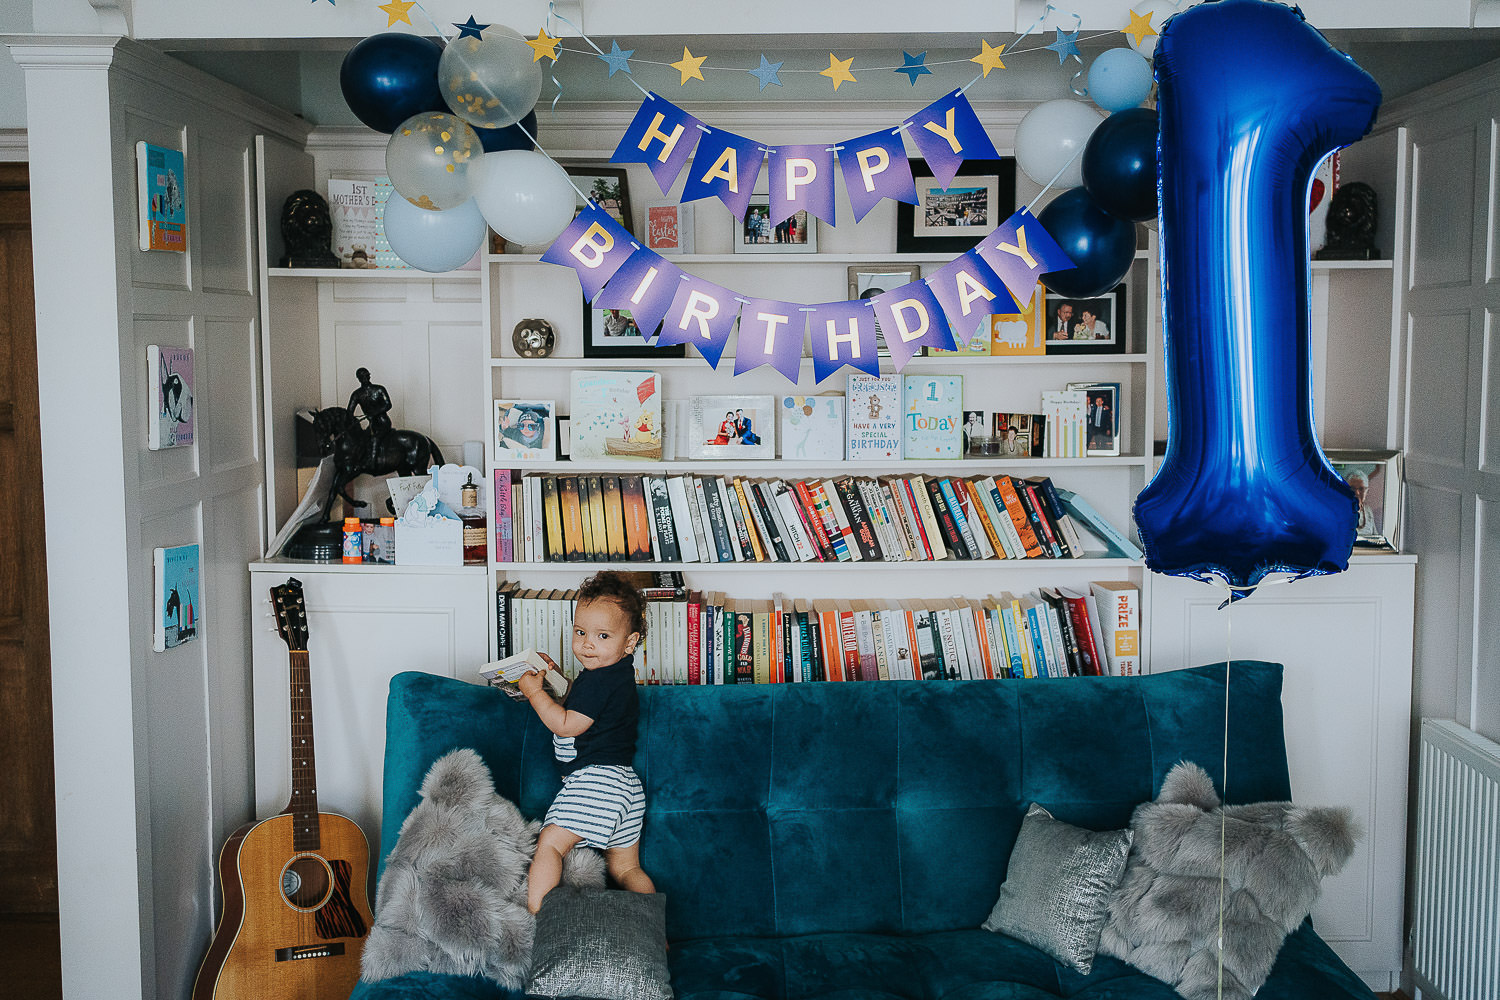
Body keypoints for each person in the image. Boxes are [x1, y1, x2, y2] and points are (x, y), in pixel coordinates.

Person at [518, 571, 656, 913]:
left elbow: (567, 724)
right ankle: (655, 932)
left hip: (596, 781)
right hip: (627, 788)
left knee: (550, 845)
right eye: (580, 632)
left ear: (629, 642)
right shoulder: (616, 676)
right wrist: (556, 680)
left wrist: (535, 692)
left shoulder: (598, 682)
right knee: (626, 868)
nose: (587, 644)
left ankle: (539, 921)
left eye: (602, 635)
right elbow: (582, 704)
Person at [346, 367, 392, 468]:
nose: (365, 378)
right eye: (362, 376)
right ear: (358, 378)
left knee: (375, 439)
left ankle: (372, 463)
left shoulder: (379, 389)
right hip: (372, 424)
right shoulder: (357, 394)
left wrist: (375, 412)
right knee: (362, 440)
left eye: (366, 375)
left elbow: (388, 404)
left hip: (383, 422)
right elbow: (349, 411)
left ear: (369, 376)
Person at [1347, 470, 1378, 536]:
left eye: (1361, 489)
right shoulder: (1338, 510)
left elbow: (1375, 536)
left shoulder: (1368, 510)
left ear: (1366, 491)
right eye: (1353, 489)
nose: (1357, 493)